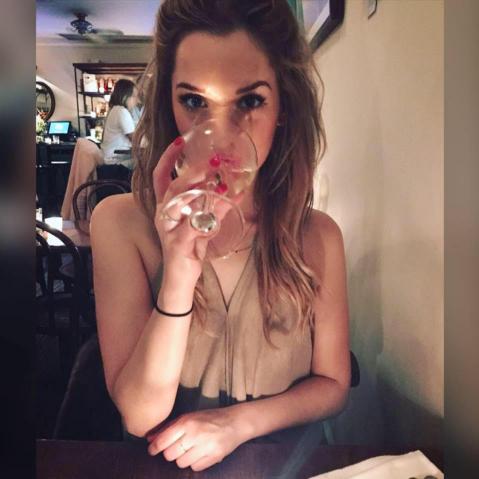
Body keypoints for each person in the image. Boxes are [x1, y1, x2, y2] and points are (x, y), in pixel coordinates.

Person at [91, 0, 350, 472]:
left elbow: (333, 385)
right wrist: (179, 273)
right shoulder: (119, 224)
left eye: (249, 102)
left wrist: (236, 425)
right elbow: (139, 416)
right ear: (168, 104)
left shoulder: (320, 236)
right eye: (194, 102)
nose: (221, 135)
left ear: (283, 107)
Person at [100, 78, 139, 168]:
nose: (136, 100)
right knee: (147, 163)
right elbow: (135, 139)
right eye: (134, 96)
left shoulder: (115, 110)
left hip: (110, 159)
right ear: (125, 96)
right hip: (115, 162)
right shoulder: (121, 111)